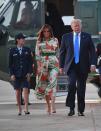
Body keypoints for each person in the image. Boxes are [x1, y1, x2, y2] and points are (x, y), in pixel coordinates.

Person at [59, 19, 96, 116]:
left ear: (81, 26)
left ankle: (80, 110)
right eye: (75, 26)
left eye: (78, 25)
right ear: (71, 27)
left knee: (81, 88)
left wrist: (93, 64)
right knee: (71, 85)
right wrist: (61, 66)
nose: (77, 27)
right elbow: (62, 53)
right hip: (71, 66)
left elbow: (92, 51)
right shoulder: (66, 37)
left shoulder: (87, 36)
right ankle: (71, 108)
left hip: (83, 66)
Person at [35, 24, 59, 115]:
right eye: (44, 31)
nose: (46, 33)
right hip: (43, 64)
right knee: (44, 85)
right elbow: (37, 55)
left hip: (54, 64)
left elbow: (58, 53)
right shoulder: (39, 41)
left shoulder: (55, 40)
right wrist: (39, 67)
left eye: (48, 31)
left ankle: (53, 104)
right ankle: (48, 105)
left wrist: (59, 66)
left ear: (50, 31)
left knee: (53, 83)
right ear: (42, 32)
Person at [9, 33, 33, 115]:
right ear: (18, 40)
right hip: (16, 75)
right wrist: (11, 74)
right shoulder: (12, 50)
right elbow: (10, 64)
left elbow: (30, 62)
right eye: (22, 39)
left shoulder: (27, 49)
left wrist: (29, 73)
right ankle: (19, 108)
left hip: (25, 74)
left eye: (24, 39)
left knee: (26, 90)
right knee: (17, 92)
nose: (24, 40)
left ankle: (26, 108)